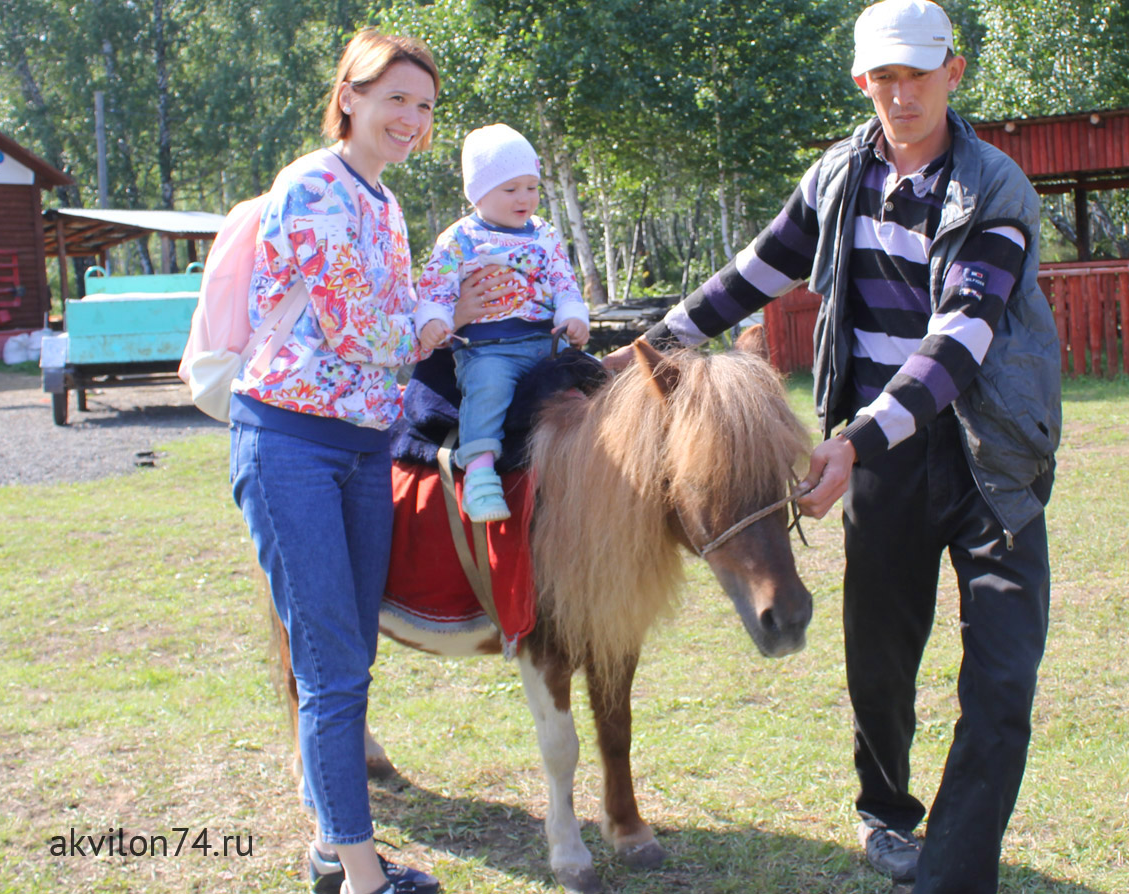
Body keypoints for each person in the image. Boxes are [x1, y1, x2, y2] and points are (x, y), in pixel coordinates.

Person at [606, 1, 1061, 891]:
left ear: (954, 72)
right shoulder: (836, 178)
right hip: (884, 459)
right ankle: (887, 817)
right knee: (880, 653)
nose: (901, 93)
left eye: (918, 74)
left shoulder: (994, 190)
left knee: (1003, 680)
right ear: (862, 82)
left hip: (988, 459)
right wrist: (652, 348)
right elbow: (752, 275)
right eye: (883, 77)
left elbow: (960, 341)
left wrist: (852, 439)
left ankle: (953, 873)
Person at [228, 30, 505, 894]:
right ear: (348, 95)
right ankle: (360, 875)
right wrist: (436, 323)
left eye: (424, 107)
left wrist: (444, 304)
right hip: (290, 445)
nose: (413, 120)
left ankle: (329, 848)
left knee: (346, 662)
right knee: (336, 667)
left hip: (361, 449)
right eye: (397, 99)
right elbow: (360, 331)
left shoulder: (381, 203)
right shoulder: (312, 186)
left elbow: (397, 306)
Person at [415, 123, 589, 522]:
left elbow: (564, 282)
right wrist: (435, 320)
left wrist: (573, 315)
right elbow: (434, 289)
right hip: (488, 348)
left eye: (531, 186)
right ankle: (479, 474)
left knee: (593, 379)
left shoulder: (544, 234)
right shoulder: (459, 239)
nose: (524, 198)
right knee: (487, 391)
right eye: (510, 189)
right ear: (479, 192)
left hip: (547, 341)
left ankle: (594, 463)